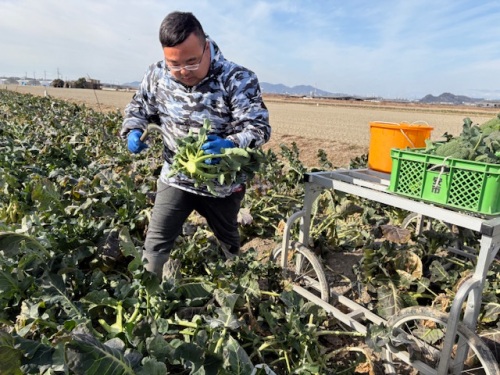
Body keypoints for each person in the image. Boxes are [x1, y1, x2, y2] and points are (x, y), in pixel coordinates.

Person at [120, 11, 271, 280]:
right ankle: (147, 298)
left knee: (229, 241)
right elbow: (138, 108)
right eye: (174, 65)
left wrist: (229, 144)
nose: (182, 72)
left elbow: (259, 129)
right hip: (176, 177)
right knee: (156, 242)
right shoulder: (156, 75)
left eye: (191, 63)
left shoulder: (237, 78)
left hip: (222, 184)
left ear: (205, 47)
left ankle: (238, 287)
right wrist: (133, 128)